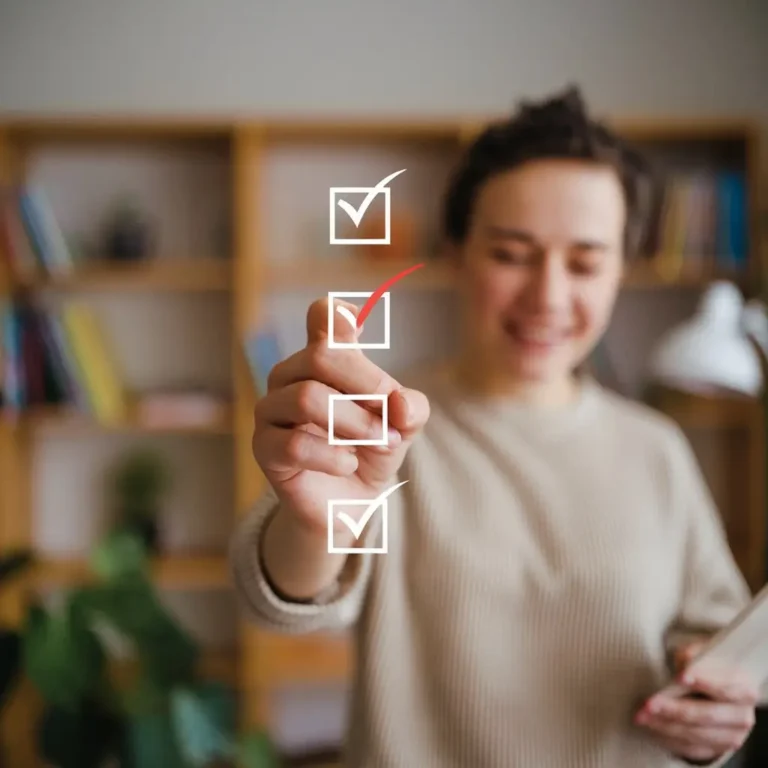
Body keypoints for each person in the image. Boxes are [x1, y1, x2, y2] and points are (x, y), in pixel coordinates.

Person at [229, 87, 760, 767]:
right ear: (457, 252)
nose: (548, 297)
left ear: (620, 271)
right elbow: (278, 599)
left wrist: (711, 719)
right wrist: (312, 524)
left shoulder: (656, 449)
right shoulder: (381, 424)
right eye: (512, 253)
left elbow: (720, 650)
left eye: (586, 262)